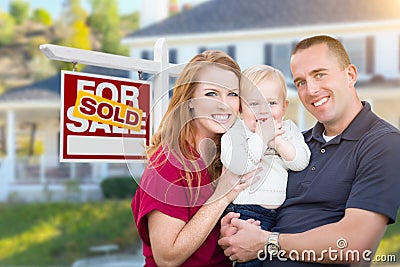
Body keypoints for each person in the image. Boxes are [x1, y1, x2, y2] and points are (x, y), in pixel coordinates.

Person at [218, 35, 400, 266]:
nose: (311, 90)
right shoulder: (297, 143)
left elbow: (354, 243)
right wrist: (235, 228)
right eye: (301, 82)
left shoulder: (383, 143)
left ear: (350, 75)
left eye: (320, 74)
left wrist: (267, 243)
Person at [131, 50, 260, 267]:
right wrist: (222, 196)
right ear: (189, 100)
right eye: (211, 94)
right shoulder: (168, 164)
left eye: (232, 94)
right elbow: (167, 257)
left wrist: (228, 230)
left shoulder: (228, 155)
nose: (224, 104)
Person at [220, 65, 311, 266]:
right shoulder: (236, 132)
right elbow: (237, 164)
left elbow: (301, 162)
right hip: (244, 213)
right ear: (241, 108)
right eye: (254, 104)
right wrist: (261, 138)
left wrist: (279, 143)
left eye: (271, 103)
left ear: (284, 107)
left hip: (280, 215)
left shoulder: (287, 130)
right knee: (249, 262)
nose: (264, 111)